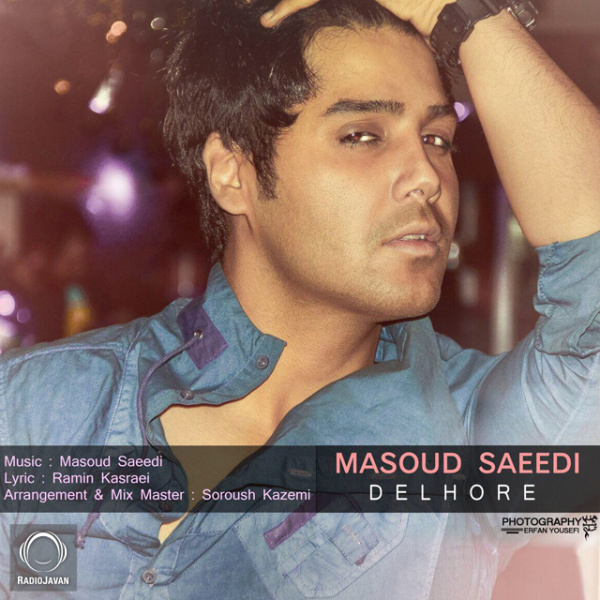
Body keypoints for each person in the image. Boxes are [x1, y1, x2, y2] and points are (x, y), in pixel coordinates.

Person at [1, 0, 599, 598]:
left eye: (437, 138)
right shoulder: (43, 405)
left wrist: (459, 13)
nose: (427, 175)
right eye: (362, 135)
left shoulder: (465, 444)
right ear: (233, 173)